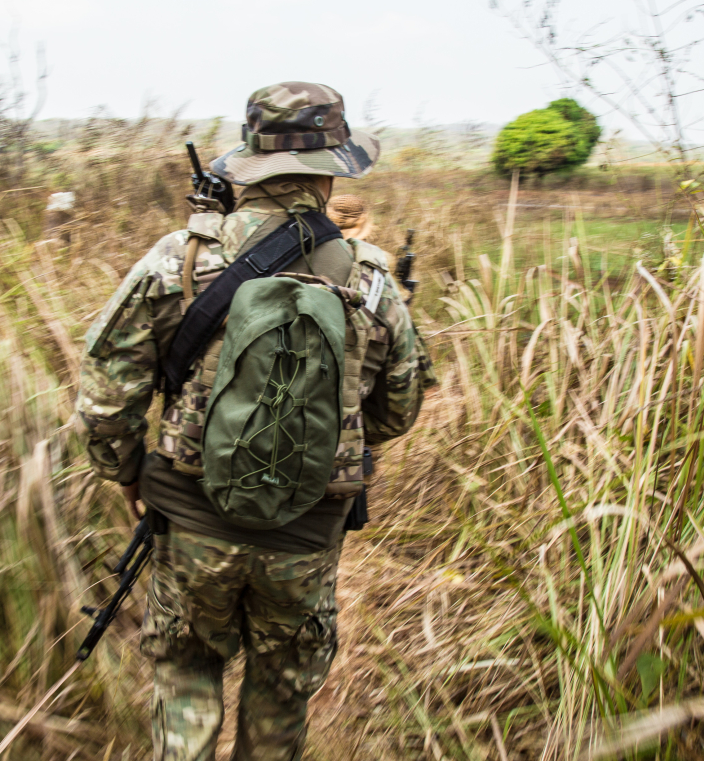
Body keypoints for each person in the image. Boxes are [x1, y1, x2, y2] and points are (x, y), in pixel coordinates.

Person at [76, 81, 435, 760]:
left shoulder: (179, 258)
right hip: (306, 529)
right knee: (280, 693)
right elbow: (399, 406)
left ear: (248, 160)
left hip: (190, 515)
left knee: (185, 677)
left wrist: (126, 473)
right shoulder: (372, 277)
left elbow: (103, 393)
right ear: (334, 169)